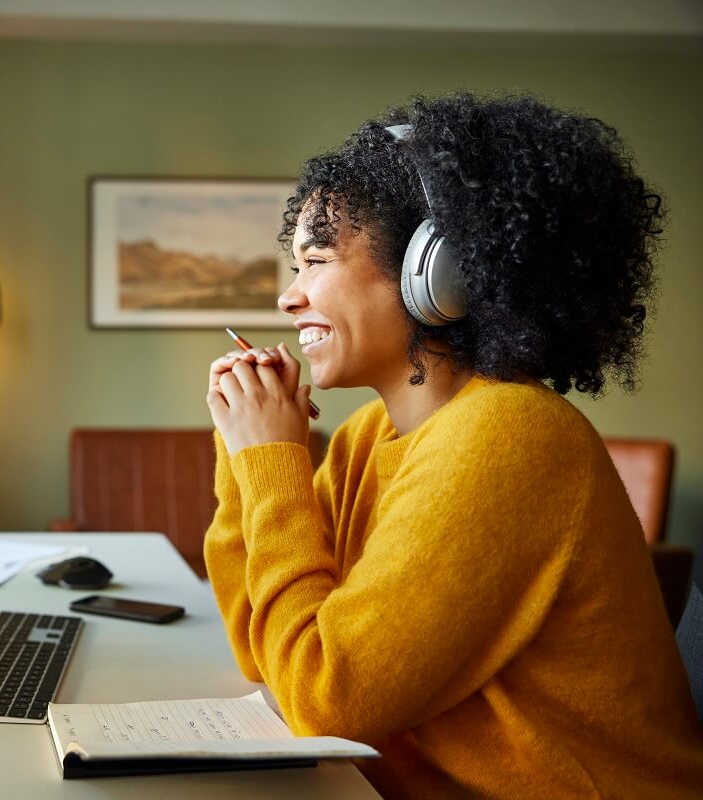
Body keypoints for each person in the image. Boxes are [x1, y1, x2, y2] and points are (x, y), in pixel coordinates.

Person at [203, 93, 703, 798]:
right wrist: (244, 454)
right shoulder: (365, 438)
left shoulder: (509, 434)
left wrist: (273, 461)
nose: (288, 297)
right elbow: (264, 647)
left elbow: (325, 697)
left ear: (437, 272)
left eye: (315, 261)